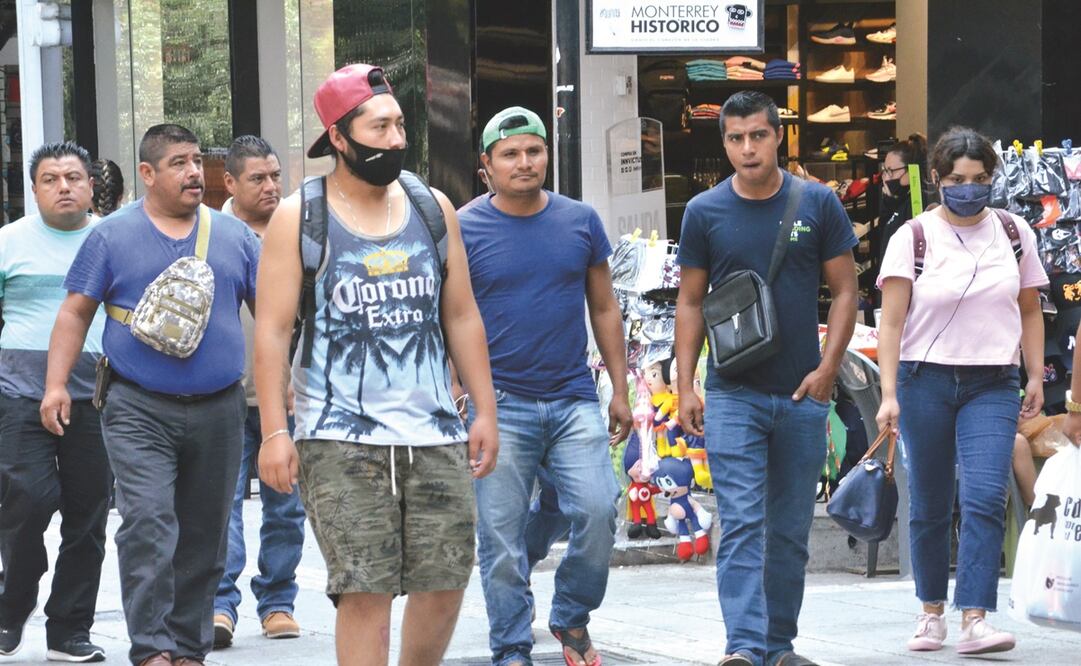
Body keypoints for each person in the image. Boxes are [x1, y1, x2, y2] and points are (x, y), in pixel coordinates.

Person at [254, 63, 499, 666]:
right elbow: (272, 329)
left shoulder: (431, 205)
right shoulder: (299, 215)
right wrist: (273, 432)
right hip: (338, 435)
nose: (396, 139)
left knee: (446, 579)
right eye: (380, 126)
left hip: (435, 430)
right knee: (364, 587)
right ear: (339, 137)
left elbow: (462, 315)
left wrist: (485, 409)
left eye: (399, 125)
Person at [41, 123, 260, 666]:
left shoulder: (235, 237)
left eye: (196, 161)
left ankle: (189, 648)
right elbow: (74, 313)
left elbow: (275, 318)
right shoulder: (111, 236)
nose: (193, 172)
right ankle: (153, 649)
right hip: (137, 406)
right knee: (148, 524)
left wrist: (287, 397)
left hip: (220, 408)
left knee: (206, 535)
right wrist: (54, 387)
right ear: (147, 173)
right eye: (179, 163)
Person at [674, 91, 858, 666]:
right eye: (735, 138)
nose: (747, 148)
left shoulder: (819, 202)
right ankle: (744, 648)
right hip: (733, 393)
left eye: (758, 135)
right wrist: (686, 383)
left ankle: (779, 646)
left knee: (788, 532)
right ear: (723, 142)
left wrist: (830, 368)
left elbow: (848, 288)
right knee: (744, 522)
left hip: (804, 394)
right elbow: (690, 301)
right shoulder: (704, 211)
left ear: (778, 136)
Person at [458, 105, 632, 666]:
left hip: (573, 397)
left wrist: (622, 391)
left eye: (534, 150)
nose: (524, 161)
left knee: (599, 508)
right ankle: (511, 646)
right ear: (487, 165)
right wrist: (461, 390)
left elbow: (604, 308)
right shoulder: (462, 228)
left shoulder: (580, 220)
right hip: (498, 403)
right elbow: (450, 315)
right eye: (510, 154)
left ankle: (571, 613)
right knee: (500, 540)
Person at [876, 126, 1047, 655]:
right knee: (928, 500)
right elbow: (891, 322)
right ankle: (931, 612)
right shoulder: (914, 236)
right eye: (956, 179)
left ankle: (975, 615)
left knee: (984, 494)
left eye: (978, 178)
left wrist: (1036, 373)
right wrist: (888, 393)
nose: (968, 188)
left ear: (992, 179)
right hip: (923, 378)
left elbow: (1029, 308)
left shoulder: (1015, 231)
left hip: (993, 382)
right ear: (935, 179)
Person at [0, 142, 111, 662]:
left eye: (73, 177)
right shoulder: (9, 242)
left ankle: (69, 630)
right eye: (50, 179)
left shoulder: (111, 241)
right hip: (20, 395)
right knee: (28, 501)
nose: (63, 186)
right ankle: (13, 603)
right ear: (35, 189)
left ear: (91, 186)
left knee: (88, 516)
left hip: (98, 397)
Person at [212, 135, 305, 648]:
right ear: (229, 182)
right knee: (223, 505)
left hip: (289, 401)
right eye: (257, 179)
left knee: (287, 506)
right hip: (225, 396)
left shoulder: (297, 229)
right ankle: (220, 606)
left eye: (275, 176)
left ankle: (277, 602)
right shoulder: (210, 233)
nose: (271, 187)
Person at [876, 133, 934, 265]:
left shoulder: (922, 204)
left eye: (891, 171)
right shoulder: (895, 201)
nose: (886, 177)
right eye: (885, 171)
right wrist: (889, 204)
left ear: (911, 170)